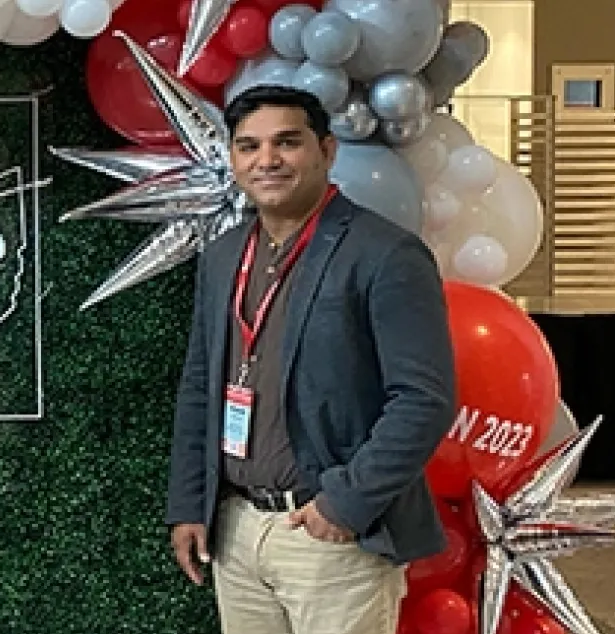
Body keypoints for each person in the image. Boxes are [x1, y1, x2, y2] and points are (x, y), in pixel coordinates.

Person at [164, 85, 456, 634]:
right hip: (236, 528)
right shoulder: (227, 253)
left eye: (287, 143)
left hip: (329, 534)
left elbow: (424, 401)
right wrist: (191, 502)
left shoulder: (385, 253)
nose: (266, 160)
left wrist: (343, 504)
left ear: (327, 150)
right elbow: (201, 384)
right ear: (232, 159)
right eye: (248, 146)